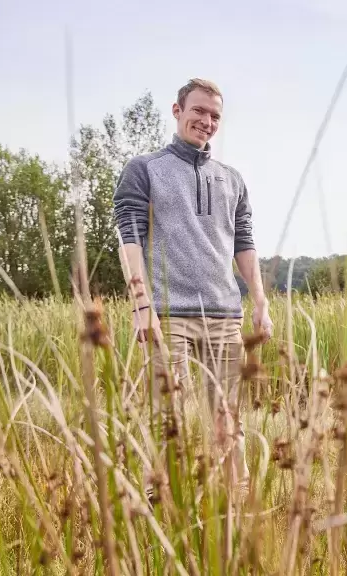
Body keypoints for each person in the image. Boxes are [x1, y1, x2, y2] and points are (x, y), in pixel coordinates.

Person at [113, 78, 273, 497]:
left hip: (224, 315)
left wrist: (259, 299)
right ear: (177, 110)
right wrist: (141, 303)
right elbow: (128, 238)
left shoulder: (232, 179)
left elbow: (244, 242)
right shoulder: (145, 169)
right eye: (198, 111)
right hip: (169, 315)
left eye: (214, 116)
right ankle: (161, 502)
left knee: (227, 416)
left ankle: (236, 503)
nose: (206, 121)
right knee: (168, 416)